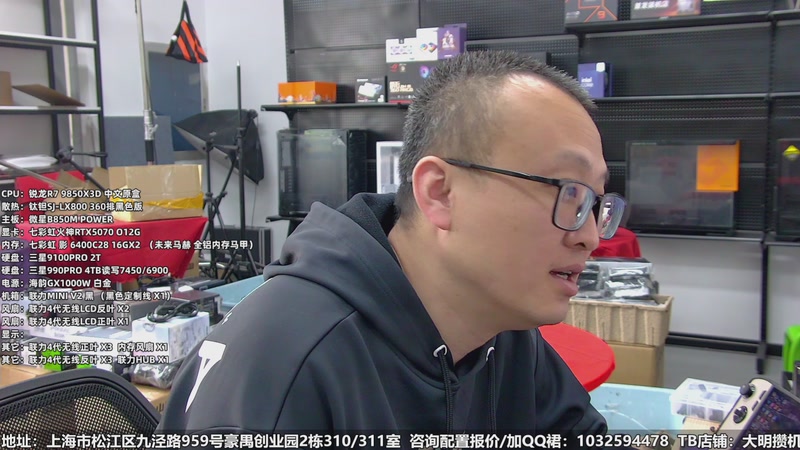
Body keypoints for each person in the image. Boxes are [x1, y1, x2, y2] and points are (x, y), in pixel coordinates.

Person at [157, 50, 628, 448]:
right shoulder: (284, 369)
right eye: (568, 192)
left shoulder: (501, 328)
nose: (590, 235)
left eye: (595, 202)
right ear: (441, 193)